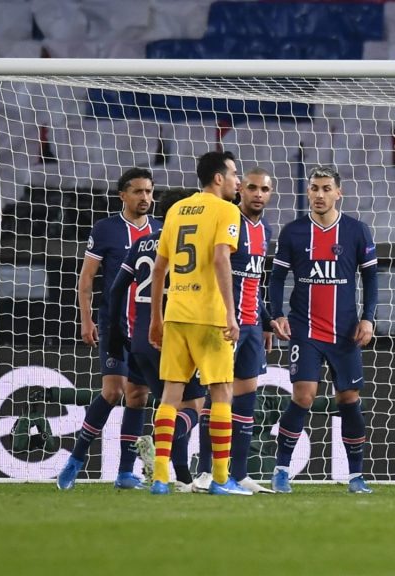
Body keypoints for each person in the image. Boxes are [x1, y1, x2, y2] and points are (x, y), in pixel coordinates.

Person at [268, 165, 378, 495]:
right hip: (305, 329)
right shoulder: (293, 232)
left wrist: (368, 318)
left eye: (326, 188)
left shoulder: (357, 231)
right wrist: (277, 314)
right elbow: (275, 279)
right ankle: (281, 470)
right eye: (314, 188)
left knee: (349, 397)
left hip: (345, 331)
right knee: (303, 395)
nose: (319, 194)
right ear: (308, 192)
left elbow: (371, 278)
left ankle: (356, 476)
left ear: (338, 192)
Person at [148, 150, 249, 496]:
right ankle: (221, 479)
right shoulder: (227, 210)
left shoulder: (176, 210)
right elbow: (221, 257)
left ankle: (160, 477)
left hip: (176, 313)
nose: (239, 181)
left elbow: (159, 267)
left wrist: (156, 318)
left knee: (170, 396)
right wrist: (230, 312)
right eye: (235, 174)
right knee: (221, 392)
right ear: (218, 178)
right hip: (209, 317)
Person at [57, 168, 161, 491]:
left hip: (144, 325)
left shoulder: (161, 230)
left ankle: (125, 473)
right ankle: (76, 457)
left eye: (148, 192)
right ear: (122, 195)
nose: (145, 198)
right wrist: (86, 319)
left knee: (138, 396)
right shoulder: (106, 229)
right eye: (138, 192)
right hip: (113, 322)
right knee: (113, 392)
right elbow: (87, 278)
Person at [106, 188, 206, 492]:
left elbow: (114, 292)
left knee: (168, 405)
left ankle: (182, 477)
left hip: (140, 339)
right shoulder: (189, 244)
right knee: (194, 406)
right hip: (176, 334)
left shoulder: (141, 242)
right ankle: (161, 451)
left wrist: (118, 334)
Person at [191, 167, 277, 494]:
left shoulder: (265, 228)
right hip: (226, 324)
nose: (258, 194)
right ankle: (205, 473)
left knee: (246, 398)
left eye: (264, 189)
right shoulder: (230, 221)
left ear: (270, 194)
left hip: (252, 325)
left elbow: (254, 280)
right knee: (217, 398)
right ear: (240, 190)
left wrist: (267, 320)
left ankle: (239, 475)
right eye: (252, 187)